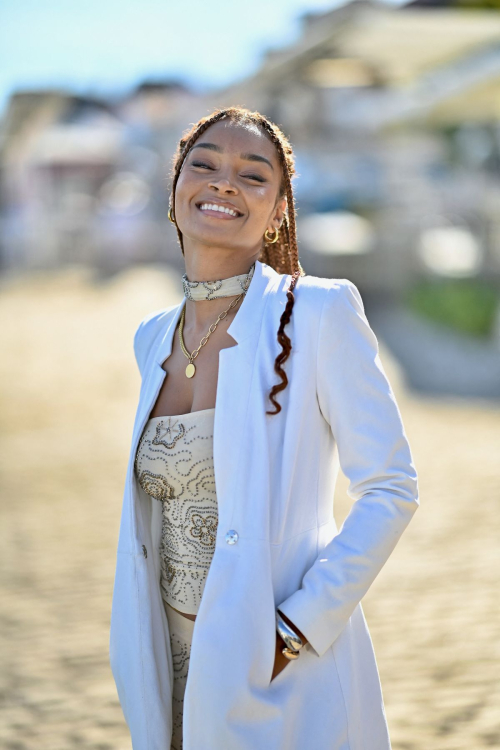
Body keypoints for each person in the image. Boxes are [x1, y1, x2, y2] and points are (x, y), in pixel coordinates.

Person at [109, 106, 420, 750]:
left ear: (279, 209)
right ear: (175, 190)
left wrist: (299, 627)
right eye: (205, 165)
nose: (225, 183)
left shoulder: (318, 313)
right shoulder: (150, 338)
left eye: (254, 176)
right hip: (167, 661)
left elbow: (391, 487)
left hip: (282, 669)